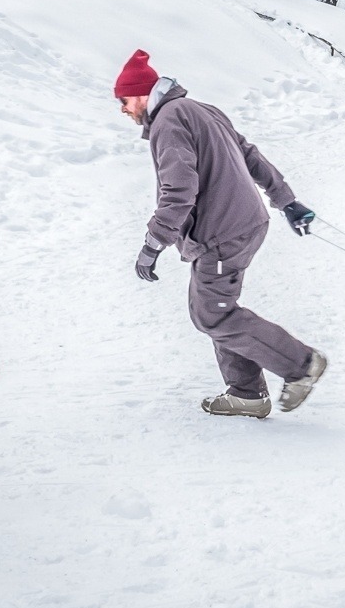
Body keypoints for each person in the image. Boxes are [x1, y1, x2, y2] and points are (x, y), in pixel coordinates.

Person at [116, 49, 328, 418]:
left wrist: (153, 245)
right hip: (242, 224)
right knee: (214, 309)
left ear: (144, 94)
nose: (123, 109)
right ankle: (246, 393)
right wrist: (286, 201)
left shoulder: (168, 121)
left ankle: (301, 365)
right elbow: (249, 155)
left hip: (222, 233)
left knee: (212, 314)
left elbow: (178, 191)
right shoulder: (200, 109)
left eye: (125, 100)